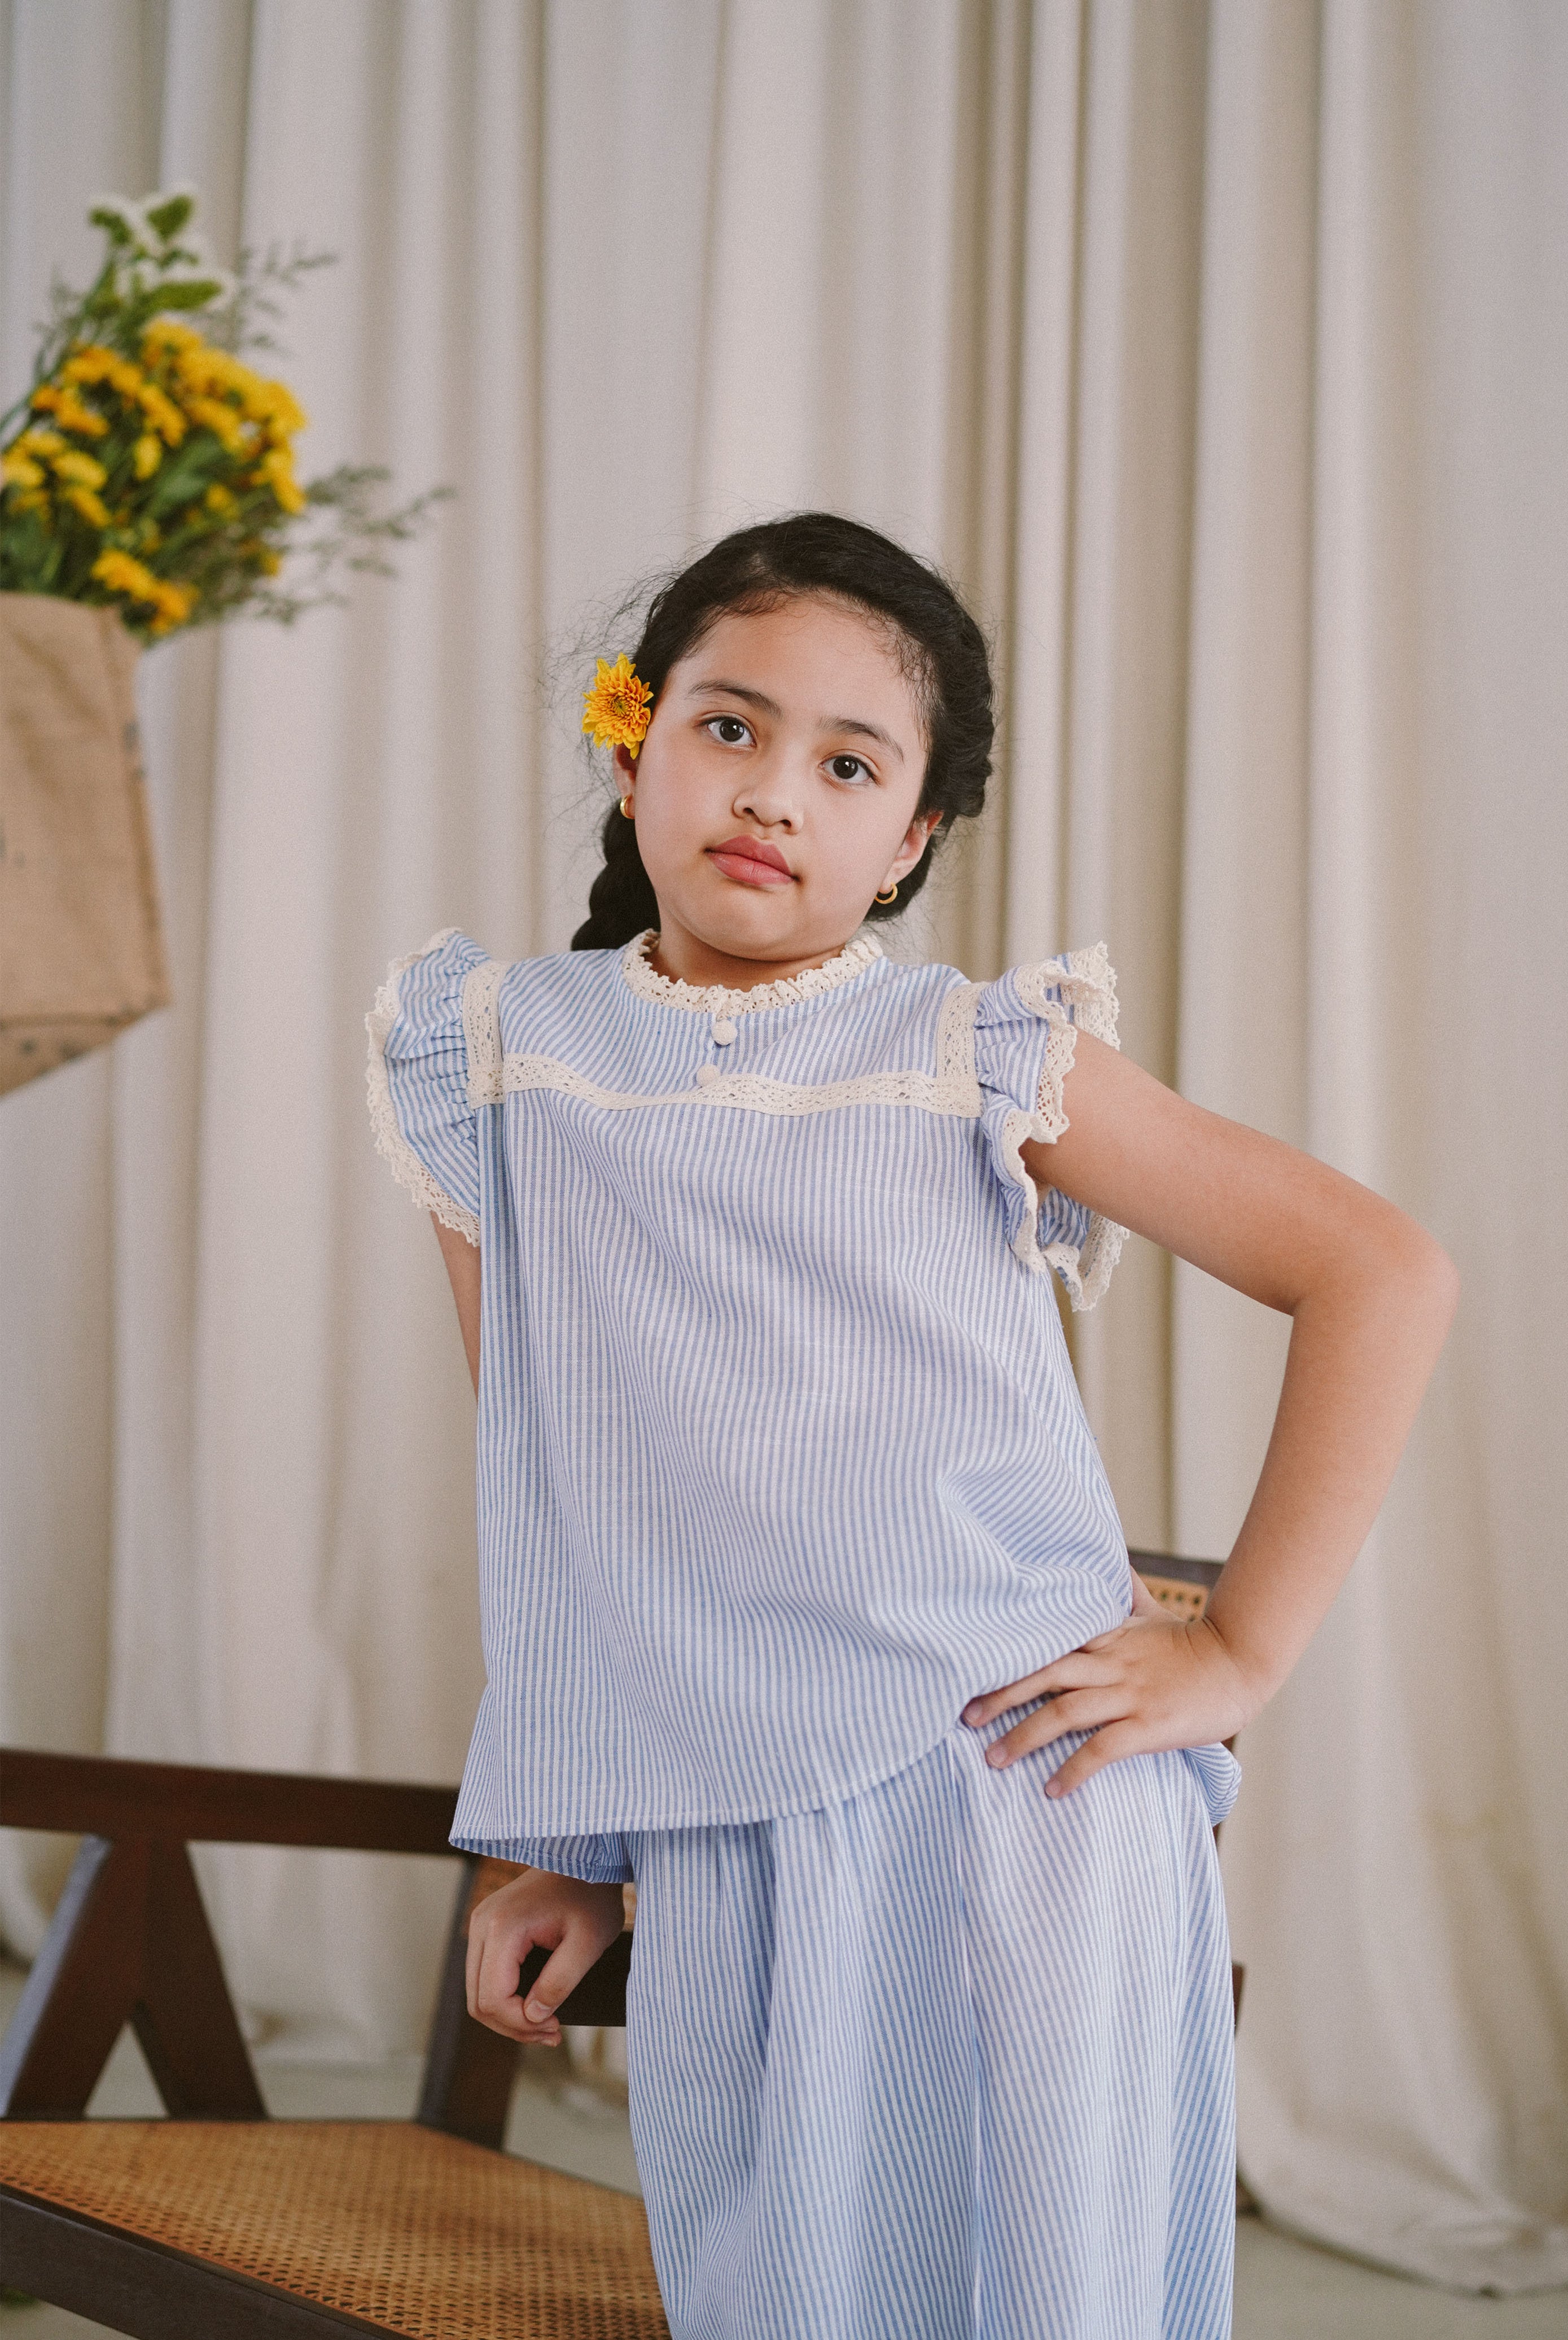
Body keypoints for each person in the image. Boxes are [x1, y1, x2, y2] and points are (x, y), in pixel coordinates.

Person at [366, 513, 1456, 2339]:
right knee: (774, 2292)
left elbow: (1379, 1270)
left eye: (847, 763)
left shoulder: (973, 1052)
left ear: (909, 839)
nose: (773, 792)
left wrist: (1242, 1648)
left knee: (1034, 2297)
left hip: (1014, 1800)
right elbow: (553, 1487)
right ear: (631, 744)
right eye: (729, 725)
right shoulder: (497, 1052)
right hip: (731, 1817)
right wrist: (559, 1834)